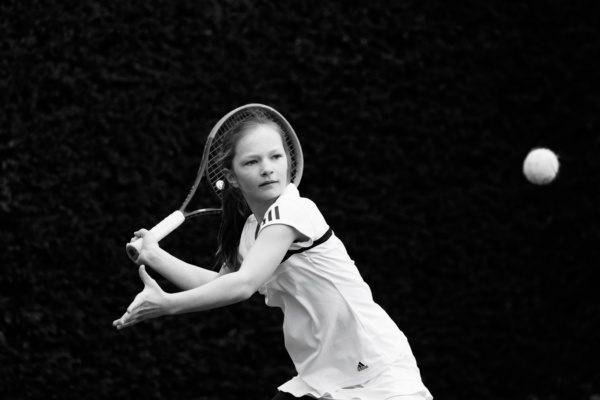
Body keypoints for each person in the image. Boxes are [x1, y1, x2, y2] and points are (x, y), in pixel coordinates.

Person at [113, 109, 433, 400]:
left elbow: (243, 285)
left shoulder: (293, 210)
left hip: (376, 371)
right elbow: (220, 282)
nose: (267, 169)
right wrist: (154, 257)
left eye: (275, 157)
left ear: (288, 163)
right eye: (252, 162)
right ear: (233, 177)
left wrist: (168, 304)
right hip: (321, 376)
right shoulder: (253, 230)